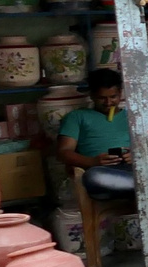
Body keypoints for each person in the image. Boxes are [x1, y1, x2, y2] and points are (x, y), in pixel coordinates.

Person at [57, 69, 134, 197]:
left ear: (120, 93)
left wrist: (136, 156)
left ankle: (141, 185)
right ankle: (145, 186)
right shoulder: (77, 117)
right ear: (92, 95)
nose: (108, 103)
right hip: (101, 174)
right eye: (102, 98)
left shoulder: (133, 116)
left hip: (132, 170)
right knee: (93, 177)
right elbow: (63, 152)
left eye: (113, 97)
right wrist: (92, 162)